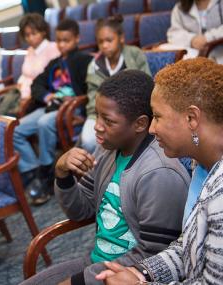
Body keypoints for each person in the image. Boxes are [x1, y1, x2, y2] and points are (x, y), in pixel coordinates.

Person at [22, 70, 190, 285]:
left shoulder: (159, 173)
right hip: (96, 262)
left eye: (108, 121)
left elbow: (154, 256)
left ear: (140, 124)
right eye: (96, 114)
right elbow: (80, 210)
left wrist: (83, 280)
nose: (97, 126)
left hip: (128, 275)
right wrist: (63, 174)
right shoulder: (108, 150)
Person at [95, 58, 223, 284]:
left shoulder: (220, 196)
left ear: (191, 118)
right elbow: (188, 247)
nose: (152, 129)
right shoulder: (200, 164)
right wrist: (142, 272)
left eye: (157, 117)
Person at [14, 19, 92, 205]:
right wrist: (48, 96)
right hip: (51, 106)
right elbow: (36, 85)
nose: (62, 45)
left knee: (44, 123)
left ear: (77, 39)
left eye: (66, 40)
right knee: (16, 129)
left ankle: (47, 175)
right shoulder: (54, 63)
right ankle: (35, 173)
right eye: (59, 40)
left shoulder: (84, 60)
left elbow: (90, 90)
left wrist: (74, 104)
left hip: (71, 111)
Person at [80, 16, 151, 154]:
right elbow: (92, 95)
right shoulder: (94, 64)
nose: (104, 45)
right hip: (100, 114)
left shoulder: (135, 54)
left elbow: (146, 84)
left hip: (130, 115)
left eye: (109, 40)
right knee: (88, 141)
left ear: (121, 38)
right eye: (100, 42)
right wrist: (98, 115)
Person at [0, 13, 60, 116]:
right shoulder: (30, 50)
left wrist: (28, 96)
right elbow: (25, 74)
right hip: (22, 93)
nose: (30, 38)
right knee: (0, 110)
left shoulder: (53, 48)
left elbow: (51, 80)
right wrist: (20, 88)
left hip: (37, 97)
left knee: (8, 117)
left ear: (43, 32)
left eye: (34, 33)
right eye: (27, 35)